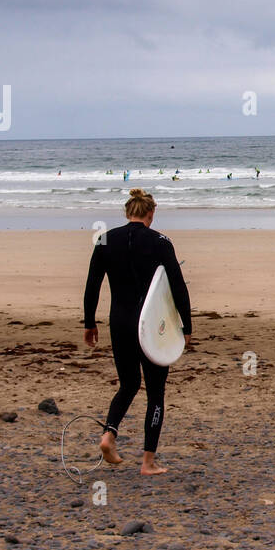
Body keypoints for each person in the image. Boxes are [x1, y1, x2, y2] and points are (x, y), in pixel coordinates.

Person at [83, 188, 194, 476]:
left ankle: (109, 435)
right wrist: (187, 326)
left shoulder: (106, 240)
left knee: (128, 384)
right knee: (155, 393)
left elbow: (92, 284)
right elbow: (179, 287)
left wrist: (89, 323)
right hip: (151, 325)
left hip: (119, 322)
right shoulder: (160, 241)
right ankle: (148, 463)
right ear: (150, 214)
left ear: (127, 212)